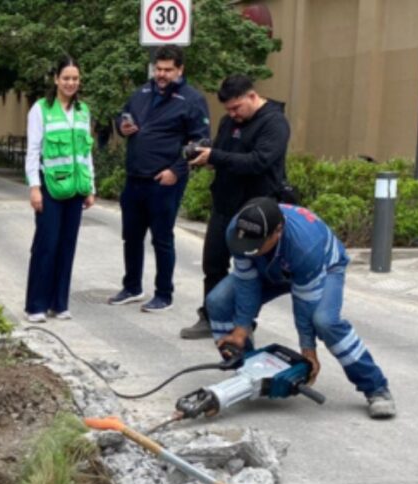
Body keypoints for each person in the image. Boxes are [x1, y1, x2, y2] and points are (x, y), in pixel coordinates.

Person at [206, 197, 396, 419]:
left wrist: (308, 351)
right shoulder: (237, 231)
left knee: (325, 321)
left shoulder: (306, 245)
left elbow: (304, 303)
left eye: (255, 246)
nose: (250, 250)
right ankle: (248, 374)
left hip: (323, 266)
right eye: (246, 246)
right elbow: (246, 282)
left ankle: (376, 387)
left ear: (278, 231)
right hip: (269, 267)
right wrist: (241, 327)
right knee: (217, 301)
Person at [181, 74, 290, 339]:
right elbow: (222, 155)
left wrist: (217, 156)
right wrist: (206, 157)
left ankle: (244, 324)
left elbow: (258, 162)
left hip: (256, 210)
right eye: (228, 109)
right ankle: (210, 316)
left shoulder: (274, 122)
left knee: (250, 272)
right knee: (213, 264)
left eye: (236, 108)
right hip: (224, 204)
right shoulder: (228, 122)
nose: (233, 114)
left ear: (252, 96)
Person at [108, 45, 210, 312]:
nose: (162, 75)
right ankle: (132, 287)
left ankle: (164, 294)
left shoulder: (191, 99)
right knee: (131, 236)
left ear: (180, 70)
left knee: (162, 238)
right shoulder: (141, 92)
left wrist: (176, 171)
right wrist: (123, 125)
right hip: (135, 177)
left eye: (168, 70)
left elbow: (200, 141)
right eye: (158, 69)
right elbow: (122, 115)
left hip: (165, 181)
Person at [23, 56, 95, 323]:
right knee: (46, 245)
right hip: (50, 188)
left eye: (75, 78)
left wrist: (91, 187)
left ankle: (59, 303)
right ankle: (36, 305)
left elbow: (86, 153)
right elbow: (33, 151)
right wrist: (34, 187)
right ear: (56, 79)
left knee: (67, 246)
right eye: (66, 78)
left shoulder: (82, 111)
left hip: (76, 188)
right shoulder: (40, 110)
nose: (70, 83)